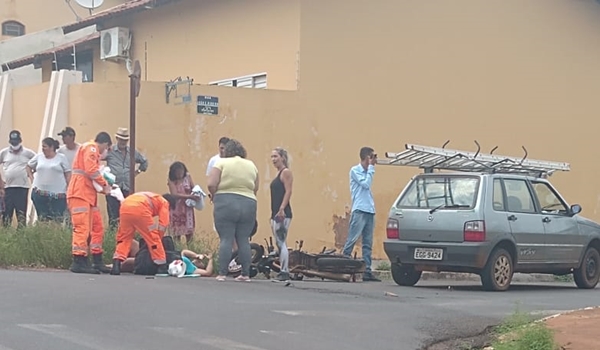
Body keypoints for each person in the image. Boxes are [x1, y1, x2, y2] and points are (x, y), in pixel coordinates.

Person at [207, 139, 259, 282]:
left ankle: (222, 273)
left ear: (227, 151)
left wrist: (215, 195)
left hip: (225, 201)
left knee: (226, 238)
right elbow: (255, 187)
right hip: (249, 202)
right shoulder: (251, 165)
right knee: (243, 239)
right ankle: (245, 274)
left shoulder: (221, 163)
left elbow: (211, 183)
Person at [67, 131, 113, 274]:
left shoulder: (90, 151)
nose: (106, 152)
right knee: (82, 228)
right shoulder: (91, 148)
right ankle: (79, 260)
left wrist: (104, 187)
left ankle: (97, 259)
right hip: (79, 194)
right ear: (105, 144)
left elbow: (91, 176)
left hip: (88, 196)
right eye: (108, 148)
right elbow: (91, 170)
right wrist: (105, 184)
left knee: (97, 227)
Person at [110, 192, 177, 276]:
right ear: (170, 204)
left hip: (125, 208)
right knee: (153, 237)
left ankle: (116, 264)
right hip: (140, 210)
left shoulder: (151, 196)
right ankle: (161, 267)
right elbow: (163, 224)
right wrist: (158, 238)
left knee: (124, 239)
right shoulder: (164, 202)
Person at [342, 146, 381, 282]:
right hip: (359, 210)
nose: (375, 159)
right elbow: (366, 184)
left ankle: (367, 270)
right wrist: (370, 168)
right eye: (373, 156)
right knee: (352, 239)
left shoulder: (368, 171)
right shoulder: (355, 170)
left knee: (367, 243)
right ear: (367, 158)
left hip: (369, 210)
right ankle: (343, 265)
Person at [104, 127, 149, 230]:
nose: (123, 142)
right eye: (121, 139)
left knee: (128, 215)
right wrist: (104, 175)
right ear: (117, 139)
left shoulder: (132, 151)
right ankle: (113, 237)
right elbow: (98, 157)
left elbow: (144, 162)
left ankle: (127, 236)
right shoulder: (111, 151)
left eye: (125, 140)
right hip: (114, 188)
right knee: (114, 216)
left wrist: (136, 172)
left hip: (127, 188)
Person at [26, 137, 71, 223]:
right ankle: (44, 234)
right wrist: (32, 179)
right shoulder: (39, 157)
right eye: (42, 146)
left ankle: (55, 235)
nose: (43, 149)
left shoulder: (61, 158)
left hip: (58, 194)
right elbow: (28, 166)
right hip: (40, 193)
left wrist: (69, 187)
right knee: (42, 217)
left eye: (45, 146)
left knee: (57, 218)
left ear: (51, 147)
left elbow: (68, 173)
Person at [0, 130, 35, 228]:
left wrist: (30, 174)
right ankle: (6, 236)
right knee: (7, 214)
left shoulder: (28, 153)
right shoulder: (4, 153)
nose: (15, 144)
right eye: (13, 142)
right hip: (8, 188)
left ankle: (21, 236)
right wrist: (1, 184)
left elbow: (38, 163)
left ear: (20, 140)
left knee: (21, 214)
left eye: (16, 142)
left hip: (22, 187)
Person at [269, 147, 293, 282]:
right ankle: (283, 270)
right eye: (272, 157)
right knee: (279, 242)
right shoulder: (278, 174)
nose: (273, 159)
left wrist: (282, 208)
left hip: (283, 213)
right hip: (276, 213)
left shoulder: (286, 173)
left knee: (281, 241)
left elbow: (288, 191)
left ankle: (284, 271)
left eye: (276, 156)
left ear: (282, 158)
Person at [167, 161, 199, 243]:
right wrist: (189, 196)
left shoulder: (187, 177)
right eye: (177, 172)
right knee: (176, 234)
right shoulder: (171, 180)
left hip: (187, 208)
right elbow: (174, 194)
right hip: (176, 209)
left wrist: (196, 193)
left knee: (189, 233)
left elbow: (194, 188)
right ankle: (178, 251)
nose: (180, 174)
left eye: (181, 172)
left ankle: (191, 251)